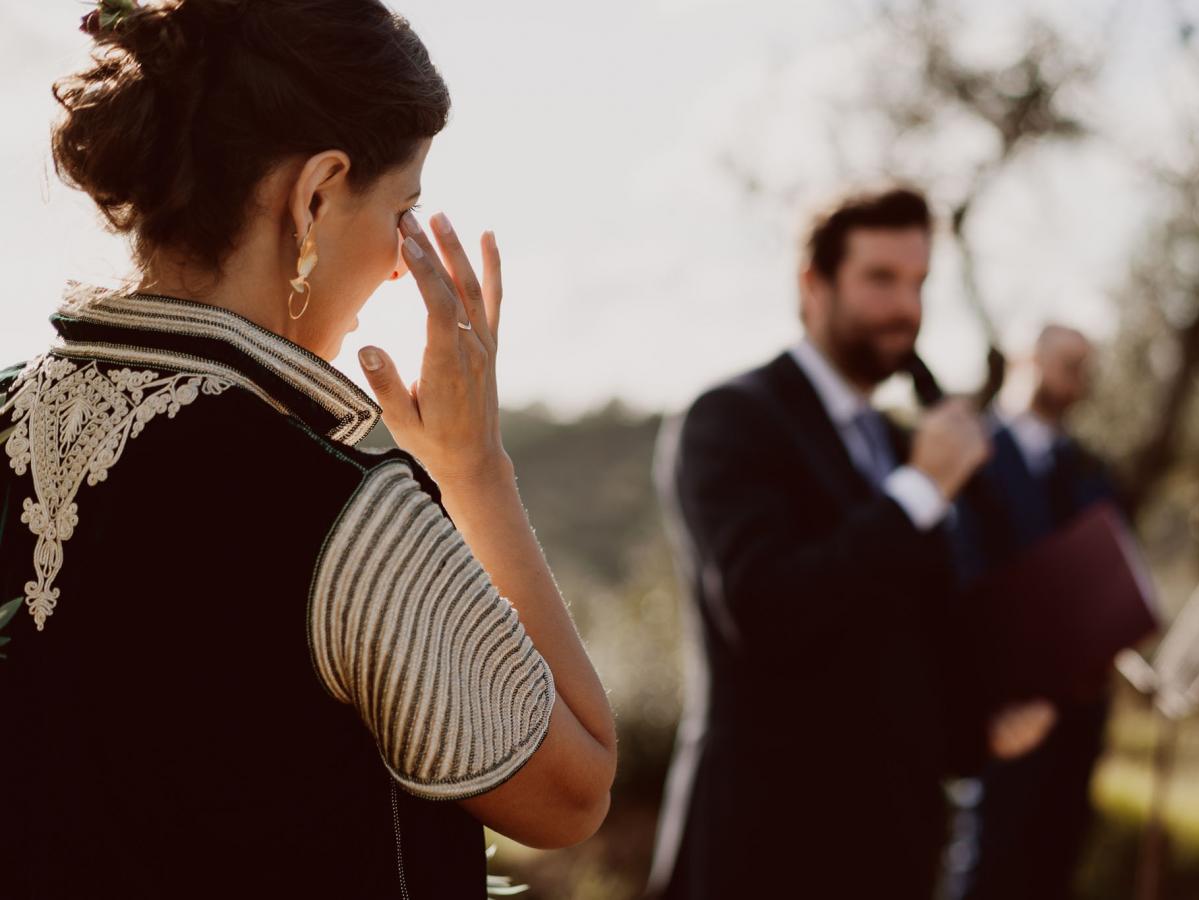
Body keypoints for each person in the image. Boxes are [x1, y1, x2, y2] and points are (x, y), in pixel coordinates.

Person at [0, 2, 616, 897]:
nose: (405, 263)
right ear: (316, 193)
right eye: (403, 210)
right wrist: (474, 468)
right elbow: (573, 792)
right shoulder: (338, 507)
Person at [646, 188, 1055, 900]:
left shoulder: (898, 442)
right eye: (880, 279)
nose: (905, 307)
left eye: (919, 283)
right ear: (813, 285)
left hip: (893, 849)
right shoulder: (730, 420)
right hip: (767, 850)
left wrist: (978, 726)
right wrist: (923, 490)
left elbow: (903, 635)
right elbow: (767, 610)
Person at [949, 325, 1118, 900]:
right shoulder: (970, 453)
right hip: (1002, 706)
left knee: (1054, 868)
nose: (1078, 378)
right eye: (1067, 361)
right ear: (1026, 356)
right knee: (988, 867)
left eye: (1086, 367)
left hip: (1078, 713)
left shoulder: (1092, 469)